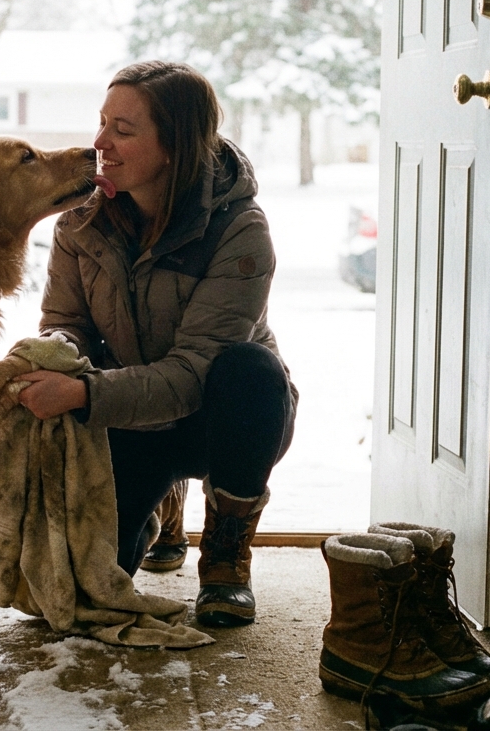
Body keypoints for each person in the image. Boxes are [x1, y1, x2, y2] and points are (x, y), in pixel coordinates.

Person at [15, 61, 297, 627]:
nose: (99, 145)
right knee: (69, 598)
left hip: (216, 418)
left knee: (252, 372)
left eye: (123, 130)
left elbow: (195, 371)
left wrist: (80, 394)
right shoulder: (81, 219)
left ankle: (224, 557)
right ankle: (157, 509)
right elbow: (66, 321)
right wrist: (49, 356)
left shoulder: (239, 230)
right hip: (127, 415)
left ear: (174, 146)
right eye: (101, 124)